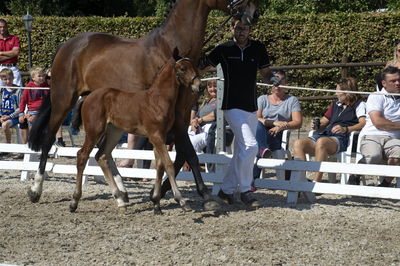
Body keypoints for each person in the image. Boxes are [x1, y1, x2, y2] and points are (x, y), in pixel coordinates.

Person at [201, 18, 272, 207]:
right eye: (238, 28)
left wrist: (272, 78)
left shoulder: (258, 48)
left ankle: (226, 190)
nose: (242, 32)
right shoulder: (223, 49)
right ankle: (247, 190)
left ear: (250, 30)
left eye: (245, 28)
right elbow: (203, 67)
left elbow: (265, 71)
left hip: (251, 106)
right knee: (250, 146)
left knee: (242, 150)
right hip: (231, 106)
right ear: (231, 28)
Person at [292, 77, 366, 182]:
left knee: (322, 142)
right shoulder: (335, 105)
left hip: (343, 138)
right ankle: (301, 180)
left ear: (347, 92)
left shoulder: (359, 104)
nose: (335, 94)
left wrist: (346, 129)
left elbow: (363, 123)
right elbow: (324, 121)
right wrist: (317, 124)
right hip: (326, 135)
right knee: (298, 143)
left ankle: (316, 182)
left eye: (338, 91)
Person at [252, 70, 302, 181]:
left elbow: (298, 122)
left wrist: (281, 126)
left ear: (285, 82)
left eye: (280, 81)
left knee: (259, 142)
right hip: (261, 132)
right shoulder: (263, 99)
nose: (277, 85)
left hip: (277, 135)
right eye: (274, 81)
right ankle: (262, 150)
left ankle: (253, 179)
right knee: (258, 126)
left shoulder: (292, 100)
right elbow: (256, 118)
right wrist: (274, 122)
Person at [354, 66, 400, 187]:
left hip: (393, 138)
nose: (398, 83)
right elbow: (378, 122)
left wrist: (391, 125)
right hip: (372, 135)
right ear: (384, 83)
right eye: (393, 81)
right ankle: (355, 173)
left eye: (399, 80)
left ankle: (385, 183)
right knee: (373, 156)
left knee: (399, 153)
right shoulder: (376, 96)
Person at [18, 67, 49, 143]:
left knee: (33, 120)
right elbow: (23, 101)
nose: (42, 78)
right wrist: (21, 114)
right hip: (32, 111)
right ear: (33, 78)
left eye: (43, 76)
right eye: (39, 76)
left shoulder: (47, 86)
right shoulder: (28, 87)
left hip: (44, 111)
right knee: (22, 121)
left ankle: (34, 143)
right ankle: (25, 145)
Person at [188, 79, 218, 153]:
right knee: (183, 141)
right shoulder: (206, 101)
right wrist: (194, 122)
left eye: (215, 86)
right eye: (210, 87)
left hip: (211, 130)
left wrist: (200, 120)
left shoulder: (221, 100)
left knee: (193, 142)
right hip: (200, 129)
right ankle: (186, 164)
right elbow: (197, 115)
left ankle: (193, 163)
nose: (212, 89)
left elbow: (215, 115)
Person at [0, 68, 21, 143]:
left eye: (9, 79)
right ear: (1, 79)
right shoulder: (1, 90)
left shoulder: (18, 90)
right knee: (4, 123)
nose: (8, 81)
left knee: (5, 125)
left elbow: (20, 108)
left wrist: (9, 116)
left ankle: (8, 145)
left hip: (14, 117)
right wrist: (1, 116)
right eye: (5, 79)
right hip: (3, 116)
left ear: (13, 78)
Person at [0, 19, 22, 87]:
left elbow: (16, 52)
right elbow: (14, 53)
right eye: (0, 27)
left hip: (13, 68)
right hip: (0, 68)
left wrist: (1, 53)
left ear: (7, 27)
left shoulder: (14, 38)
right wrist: (11, 54)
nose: (2, 28)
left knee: (17, 90)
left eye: (4, 27)